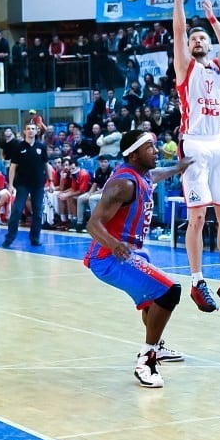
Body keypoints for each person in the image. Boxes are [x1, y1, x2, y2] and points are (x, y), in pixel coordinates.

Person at [85, 130, 193, 389]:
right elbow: (92, 223)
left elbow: (154, 175)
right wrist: (114, 245)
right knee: (169, 291)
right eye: (150, 148)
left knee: (152, 301)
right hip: (109, 255)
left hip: (130, 252)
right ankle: (147, 359)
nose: (155, 151)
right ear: (133, 155)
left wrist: (178, 168)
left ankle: (155, 345)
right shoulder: (123, 184)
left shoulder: (141, 175)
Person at [161, 0, 220, 313]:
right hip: (193, 144)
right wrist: (179, 0)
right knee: (197, 218)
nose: (196, 40)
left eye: (201, 38)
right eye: (193, 38)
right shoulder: (186, 67)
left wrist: (211, 18)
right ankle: (197, 281)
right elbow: (178, 32)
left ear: (207, 45)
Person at [2, 122, 51, 249]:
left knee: (38, 212)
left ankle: (35, 238)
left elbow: (46, 164)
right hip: (23, 184)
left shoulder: (41, 147)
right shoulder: (19, 147)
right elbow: (13, 167)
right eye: (28, 129)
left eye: (33, 129)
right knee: (17, 210)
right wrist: (10, 184)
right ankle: (9, 238)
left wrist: (50, 181)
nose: (30, 131)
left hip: (38, 184)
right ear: (25, 132)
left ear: (36, 131)